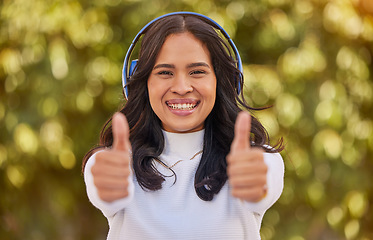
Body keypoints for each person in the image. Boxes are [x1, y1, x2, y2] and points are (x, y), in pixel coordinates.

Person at [82, 12, 285, 240]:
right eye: (165, 72)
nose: (181, 87)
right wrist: (105, 184)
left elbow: (263, 185)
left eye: (197, 72)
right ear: (143, 82)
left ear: (221, 81)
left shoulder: (258, 160)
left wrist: (257, 183)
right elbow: (103, 186)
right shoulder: (115, 164)